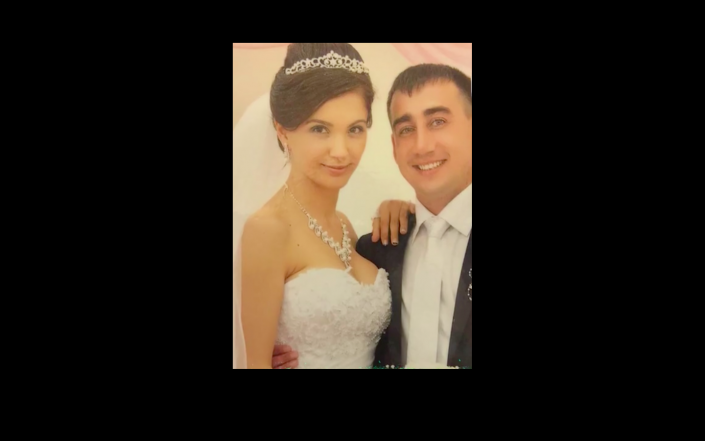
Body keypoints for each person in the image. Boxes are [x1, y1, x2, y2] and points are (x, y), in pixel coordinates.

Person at [274, 63, 472, 368]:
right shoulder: (375, 248)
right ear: (394, 147)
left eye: (438, 121)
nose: (422, 146)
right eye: (406, 129)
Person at [234, 43, 391, 369]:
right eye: (320, 129)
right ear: (283, 131)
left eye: (355, 129)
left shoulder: (345, 225)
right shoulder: (267, 230)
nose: (341, 151)